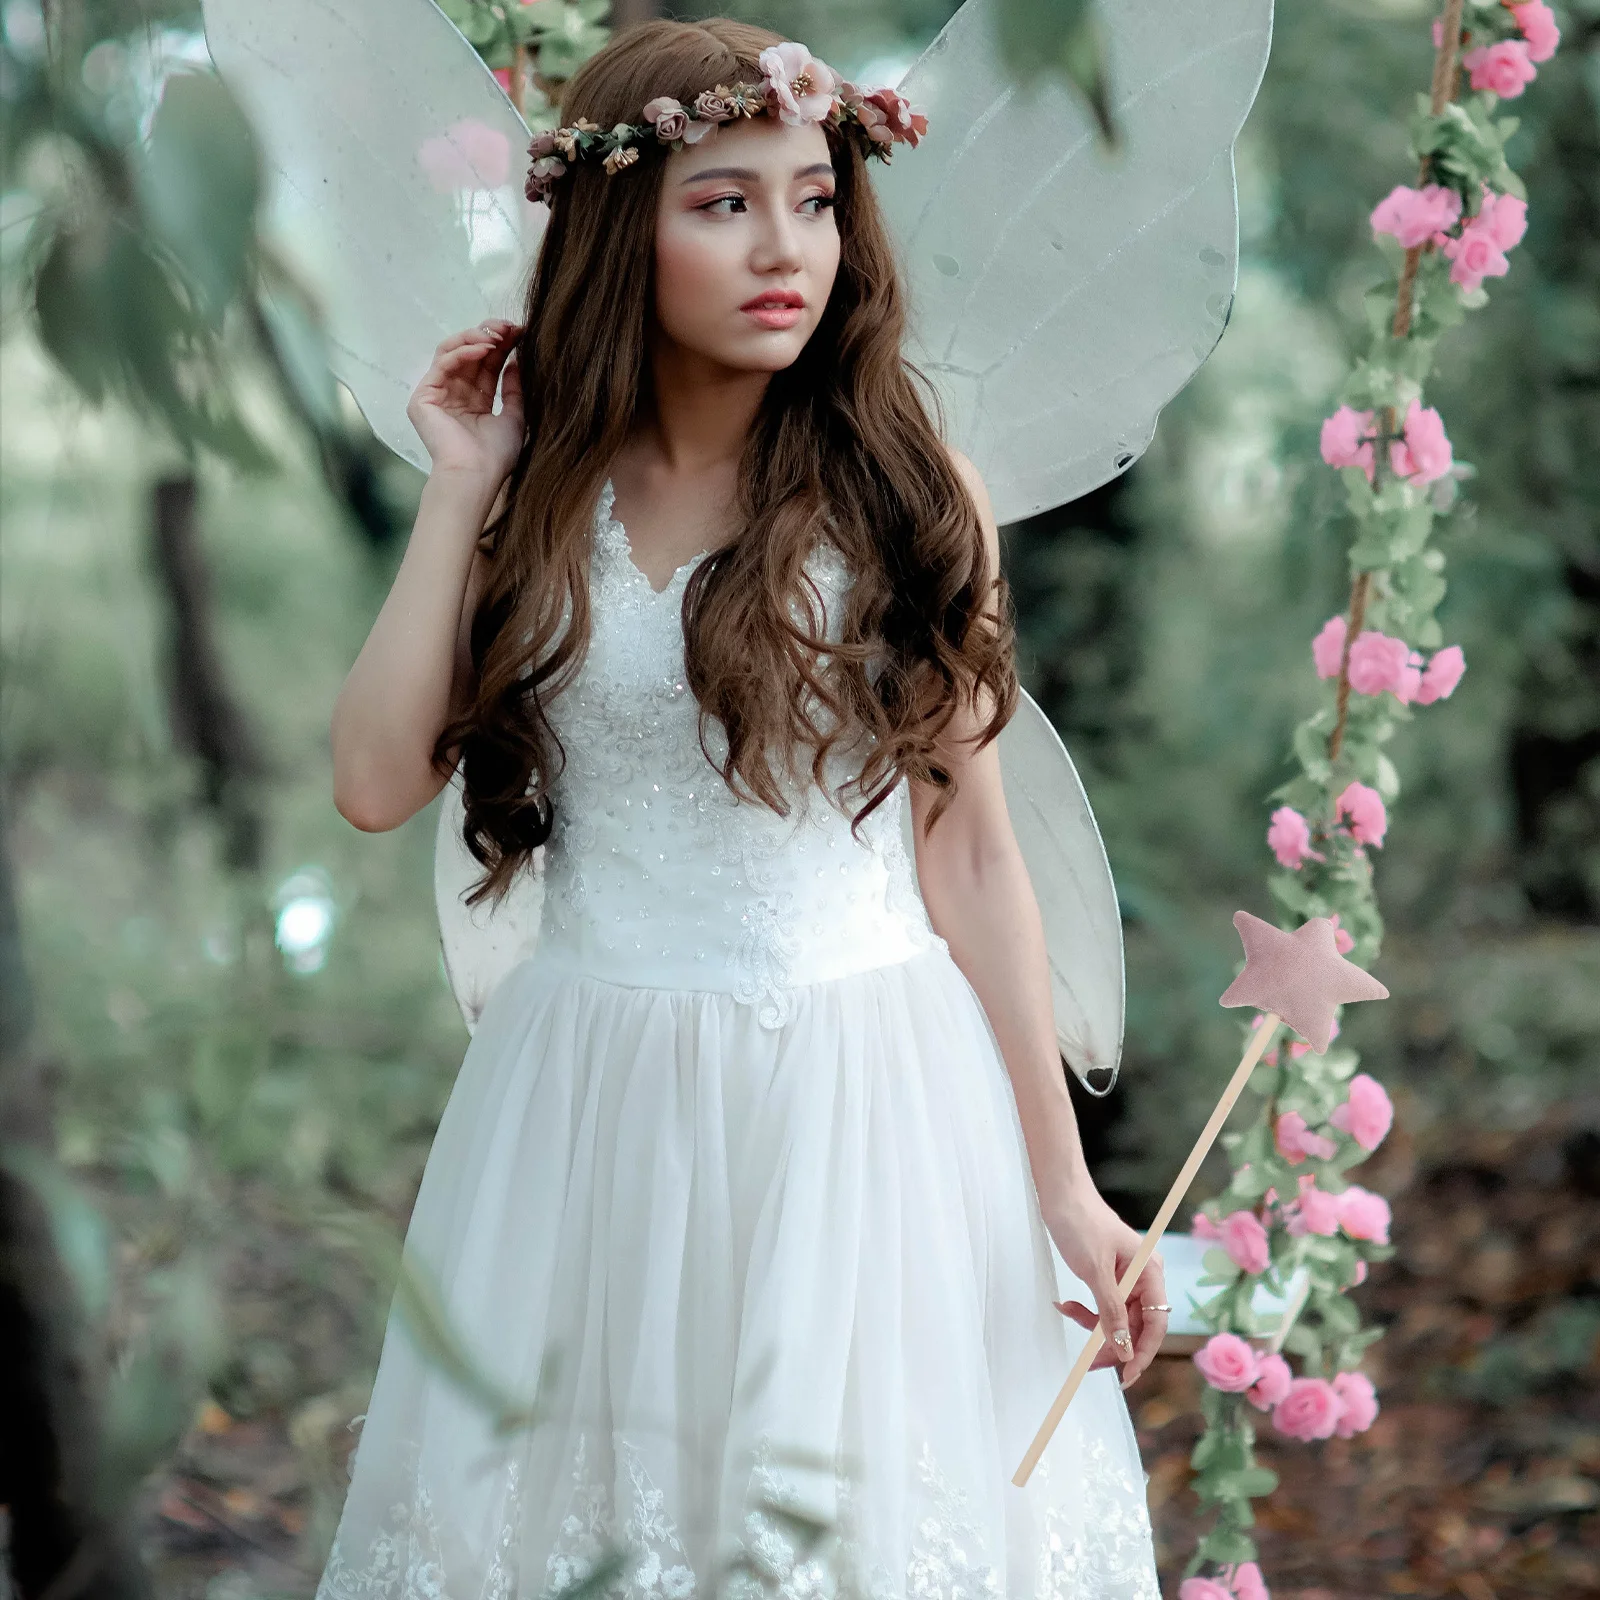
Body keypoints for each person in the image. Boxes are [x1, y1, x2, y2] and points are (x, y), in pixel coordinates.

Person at [321, 17, 1166, 1598]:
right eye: (724, 203)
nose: (790, 247)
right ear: (614, 232)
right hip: (587, 1100)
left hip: (871, 1097)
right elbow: (376, 782)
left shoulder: (912, 494)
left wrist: (1064, 1184)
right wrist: (457, 483)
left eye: (817, 198)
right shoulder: (528, 497)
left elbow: (971, 853)